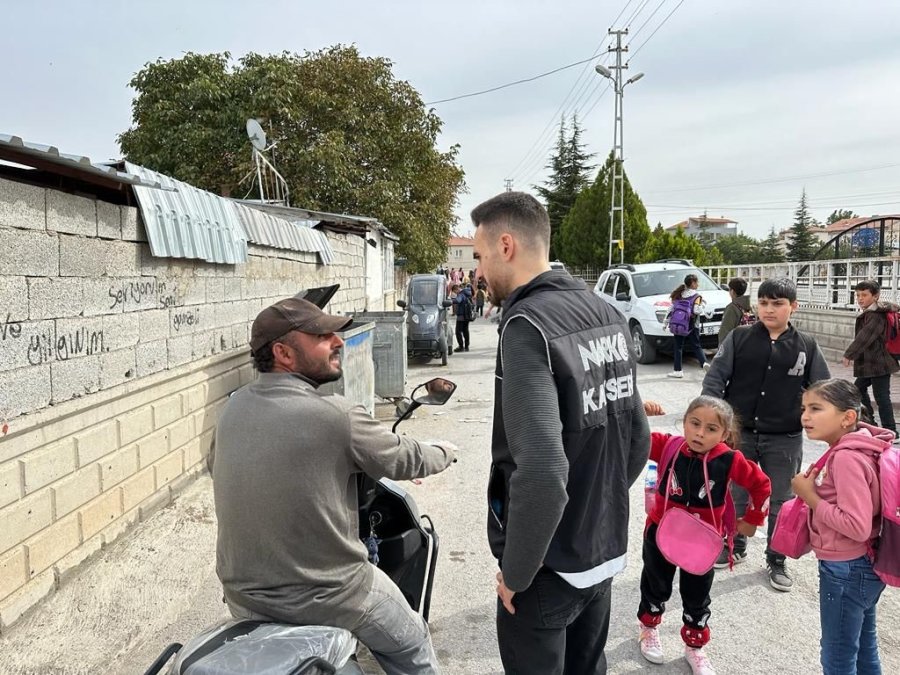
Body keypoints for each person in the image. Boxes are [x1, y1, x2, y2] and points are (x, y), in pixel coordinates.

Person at [213, 297, 458, 675]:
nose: (338, 342)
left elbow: (218, 467)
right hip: (331, 595)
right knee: (414, 642)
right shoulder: (336, 416)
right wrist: (445, 451)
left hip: (244, 598)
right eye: (322, 336)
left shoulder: (231, 410)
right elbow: (404, 458)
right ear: (283, 353)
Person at [471, 191, 651, 675]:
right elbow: (638, 439)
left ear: (505, 245)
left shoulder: (526, 323)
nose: (479, 272)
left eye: (480, 255)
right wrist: (595, 505)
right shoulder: (606, 311)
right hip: (601, 552)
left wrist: (517, 572)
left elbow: (545, 471)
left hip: (548, 568)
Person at [702, 277, 830, 592]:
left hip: (784, 438)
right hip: (740, 434)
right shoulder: (739, 338)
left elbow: (823, 390)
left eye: (777, 303)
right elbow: (715, 380)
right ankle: (735, 542)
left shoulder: (806, 346)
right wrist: (713, 421)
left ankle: (776, 558)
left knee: (782, 501)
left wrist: (825, 420)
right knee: (737, 493)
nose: (769, 309)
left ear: (793, 307)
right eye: (763, 303)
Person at [638, 396, 770, 675]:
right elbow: (631, 437)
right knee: (655, 584)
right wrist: (639, 414)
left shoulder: (730, 459)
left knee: (697, 595)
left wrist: (753, 519)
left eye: (711, 429)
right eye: (694, 424)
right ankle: (648, 628)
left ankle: (694, 646)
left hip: (702, 541)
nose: (700, 433)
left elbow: (761, 484)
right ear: (684, 422)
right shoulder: (668, 446)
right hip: (660, 532)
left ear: (725, 434)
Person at [793, 378, 889, 674]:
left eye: (816, 408)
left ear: (848, 417)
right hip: (862, 562)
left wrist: (810, 497)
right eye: (804, 408)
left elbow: (856, 525)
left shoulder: (847, 458)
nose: (805, 416)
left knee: (837, 656)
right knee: (863, 648)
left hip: (845, 569)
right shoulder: (863, 445)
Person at [843, 280, 899, 434]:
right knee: (857, 390)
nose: (860, 298)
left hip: (879, 363)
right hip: (870, 363)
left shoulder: (876, 316)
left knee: (881, 397)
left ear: (875, 296)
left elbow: (865, 337)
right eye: (858, 295)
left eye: (864, 295)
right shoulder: (871, 312)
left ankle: (891, 430)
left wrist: (849, 354)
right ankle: (871, 422)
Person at [666, 274, 711, 379]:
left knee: (678, 347)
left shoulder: (679, 294)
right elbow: (696, 311)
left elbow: (671, 309)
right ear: (693, 283)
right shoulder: (697, 296)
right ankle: (704, 363)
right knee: (696, 345)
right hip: (691, 325)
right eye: (697, 282)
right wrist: (703, 305)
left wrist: (666, 322)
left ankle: (678, 371)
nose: (698, 284)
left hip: (679, 325)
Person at [718, 277, 751, 346]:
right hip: (746, 344)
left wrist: (722, 352)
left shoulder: (732, 308)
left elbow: (725, 332)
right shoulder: (748, 305)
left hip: (735, 347)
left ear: (732, 291)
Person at [451, 283, 473, 351]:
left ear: (456, 289)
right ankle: (466, 346)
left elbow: (457, 300)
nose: (455, 293)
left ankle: (461, 346)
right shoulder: (467, 293)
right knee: (466, 331)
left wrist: (451, 300)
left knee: (458, 331)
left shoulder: (461, 294)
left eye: (454, 292)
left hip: (461, 316)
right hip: (467, 315)